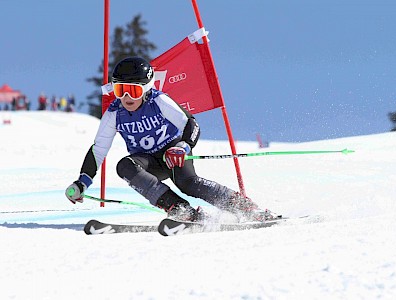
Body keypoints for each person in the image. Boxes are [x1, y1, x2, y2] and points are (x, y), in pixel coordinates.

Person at [65, 56, 277, 222]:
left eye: (133, 91)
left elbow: (191, 124)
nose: (127, 97)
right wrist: (82, 183)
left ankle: (245, 208)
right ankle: (181, 210)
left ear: (146, 89)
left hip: (173, 154)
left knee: (187, 183)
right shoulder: (114, 113)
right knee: (125, 166)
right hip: (148, 162)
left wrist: (183, 147)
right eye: (121, 90)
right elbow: (98, 150)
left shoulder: (158, 101)